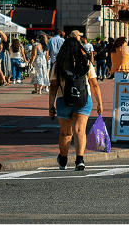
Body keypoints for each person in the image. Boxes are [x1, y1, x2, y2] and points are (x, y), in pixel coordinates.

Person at [48, 33, 103, 171]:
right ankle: (80, 160)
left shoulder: (58, 64)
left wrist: (51, 105)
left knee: (66, 133)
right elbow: (94, 84)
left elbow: (53, 86)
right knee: (80, 130)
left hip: (63, 100)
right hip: (83, 100)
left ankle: (63, 159)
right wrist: (99, 103)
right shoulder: (86, 63)